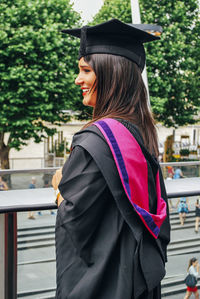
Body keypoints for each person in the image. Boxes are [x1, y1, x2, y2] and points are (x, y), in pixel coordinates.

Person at [52, 19, 170, 299]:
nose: (77, 80)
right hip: (136, 278)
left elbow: (75, 218)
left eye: (85, 70)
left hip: (108, 285)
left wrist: (59, 191)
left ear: (110, 74)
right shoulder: (140, 133)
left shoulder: (95, 141)